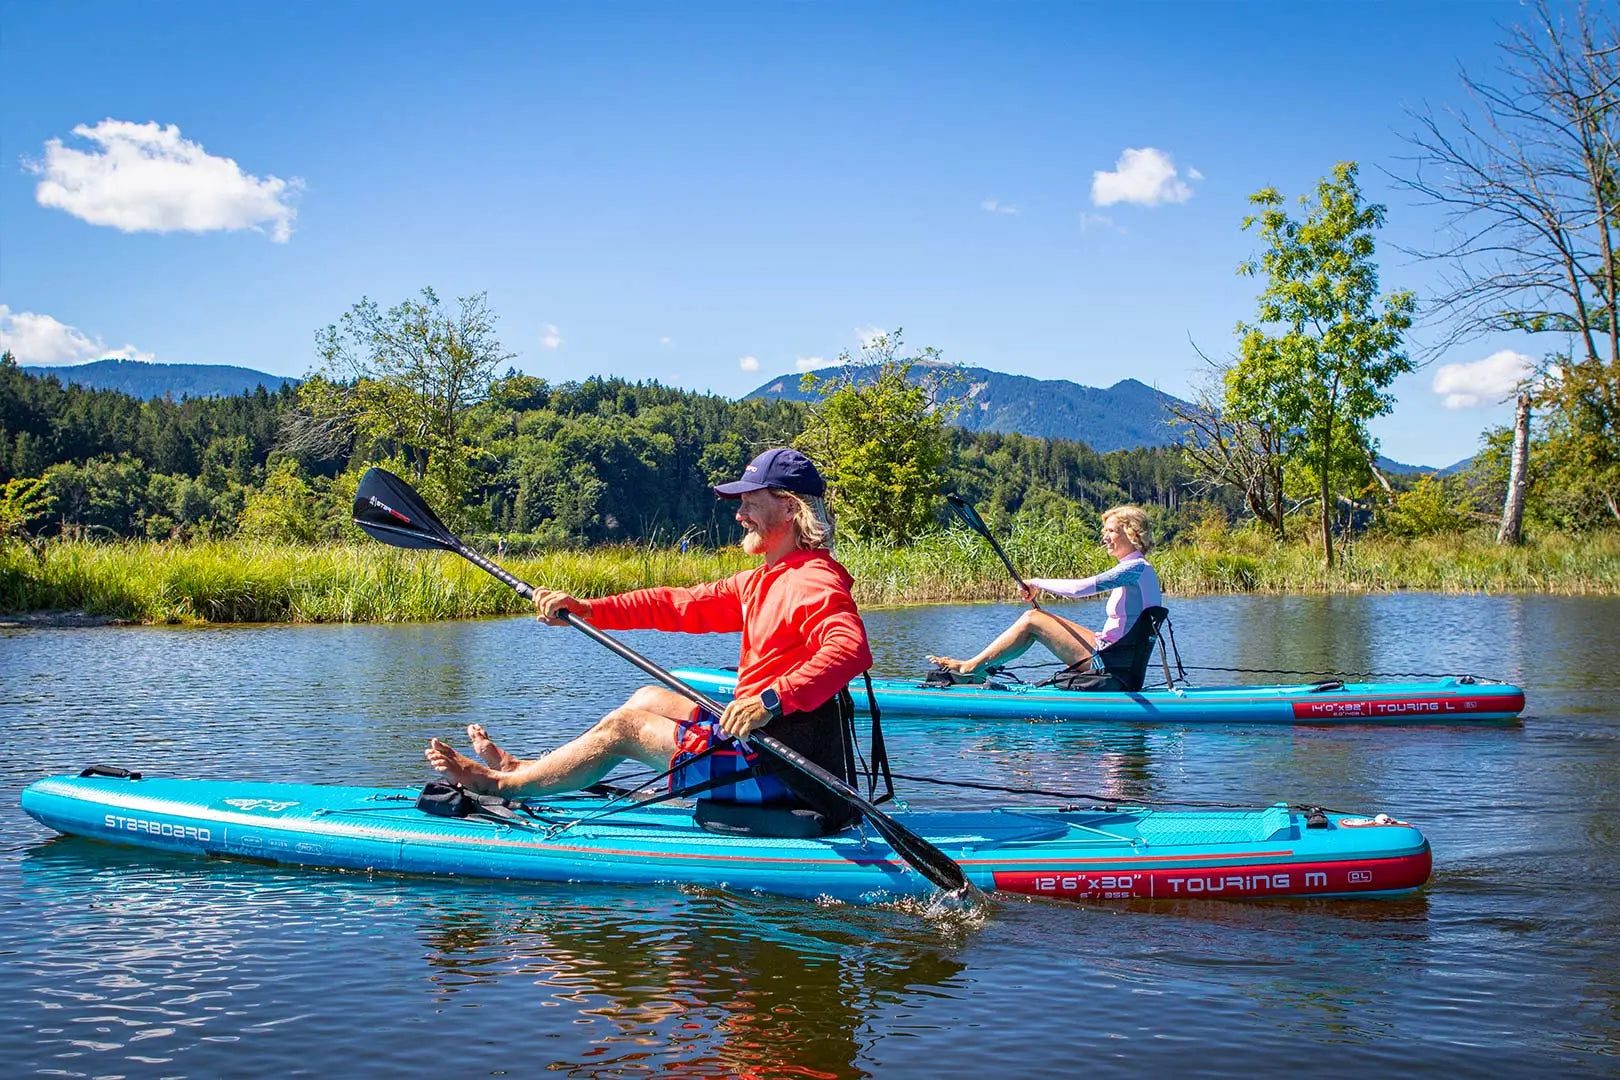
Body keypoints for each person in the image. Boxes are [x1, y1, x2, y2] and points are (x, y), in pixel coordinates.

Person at [425, 447, 873, 825]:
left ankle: (499, 783)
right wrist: (588, 610)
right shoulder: (767, 578)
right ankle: (527, 769)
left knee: (625, 728)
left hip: (781, 769)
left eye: (750, 504)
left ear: (790, 507)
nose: (739, 515)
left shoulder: (812, 579)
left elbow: (849, 649)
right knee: (646, 698)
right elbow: (677, 603)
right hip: (764, 741)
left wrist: (768, 700)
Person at [926, 504, 1160, 677]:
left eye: (1111, 531)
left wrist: (1036, 582)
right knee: (1041, 618)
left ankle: (970, 668)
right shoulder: (1141, 570)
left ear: (1131, 533)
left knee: (1032, 620)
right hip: (1119, 658)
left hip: (1112, 662)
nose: (1104, 537)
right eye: (1105, 530)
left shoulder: (1135, 569)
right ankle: (982, 669)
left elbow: (1079, 589)